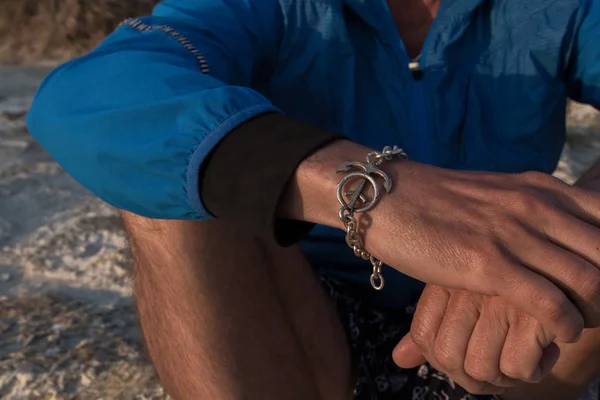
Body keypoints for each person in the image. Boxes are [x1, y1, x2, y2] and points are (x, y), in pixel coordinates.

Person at [26, 0, 600, 398]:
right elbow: (90, 94)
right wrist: (375, 195)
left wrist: (536, 241)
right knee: (169, 173)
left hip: (515, 338)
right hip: (310, 313)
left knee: (584, 231)